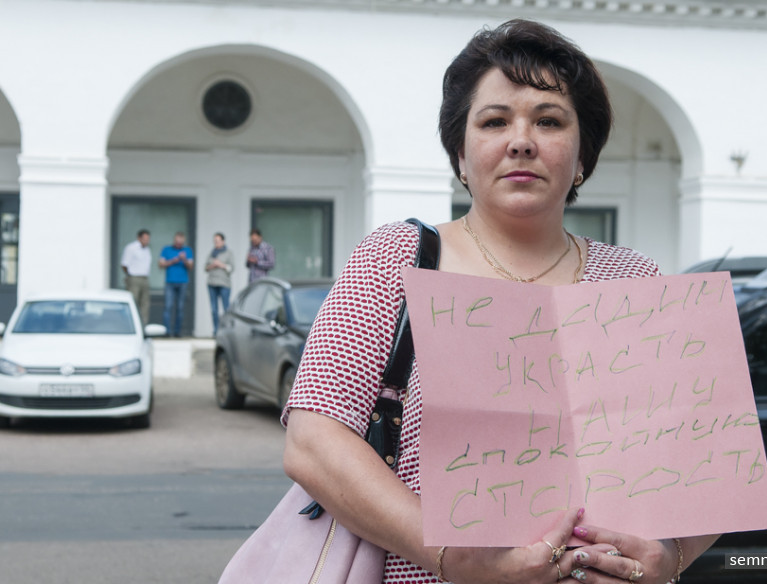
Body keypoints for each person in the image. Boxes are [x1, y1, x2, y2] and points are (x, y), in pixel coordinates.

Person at [282, 20, 720, 584]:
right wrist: (455, 558)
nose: (521, 140)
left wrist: (672, 557)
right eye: (494, 121)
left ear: (581, 155)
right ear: (461, 156)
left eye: (549, 120)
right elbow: (313, 442)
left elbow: (706, 466)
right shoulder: (399, 260)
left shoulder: (634, 281)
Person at [158, 231, 194, 337]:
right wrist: (175, 260)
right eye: (177, 242)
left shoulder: (187, 250)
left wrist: (184, 259)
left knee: (180, 308)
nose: (179, 244)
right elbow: (161, 264)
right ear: (174, 240)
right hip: (170, 282)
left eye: (180, 242)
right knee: (168, 307)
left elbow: (191, 266)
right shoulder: (166, 249)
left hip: (183, 282)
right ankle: (167, 332)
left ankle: (178, 332)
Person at [120, 228, 152, 326]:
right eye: (145, 239)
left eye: (148, 239)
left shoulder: (147, 249)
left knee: (145, 303)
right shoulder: (131, 248)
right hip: (134, 278)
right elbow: (124, 264)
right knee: (133, 302)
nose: (147, 241)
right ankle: (130, 325)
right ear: (139, 238)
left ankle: (143, 325)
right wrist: (129, 276)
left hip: (144, 278)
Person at [205, 232, 234, 336]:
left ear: (223, 241)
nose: (216, 243)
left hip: (224, 284)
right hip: (212, 283)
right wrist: (213, 265)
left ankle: (226, 331)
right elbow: (205, 267)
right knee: (214, 309)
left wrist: (221, 264)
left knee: (226, 308)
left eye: (217, 241)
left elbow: (231, 268)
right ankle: (216, 331)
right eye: (214, 241)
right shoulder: (212, 253)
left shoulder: (228, 253)